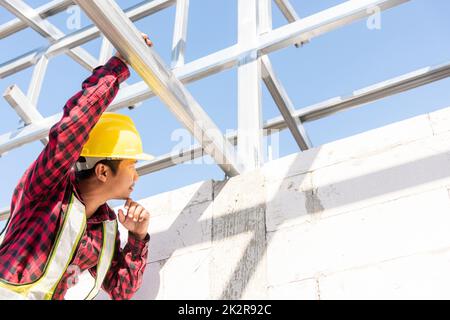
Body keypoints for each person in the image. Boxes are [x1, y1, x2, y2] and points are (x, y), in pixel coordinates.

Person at [0, 33, 154, 300]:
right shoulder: (49, 187)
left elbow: (121, 289)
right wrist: (119, 65)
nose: (137, 176)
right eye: (132, 166)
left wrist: (138, 237)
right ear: (103, 171)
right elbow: (74, 127)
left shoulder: (104, 227)